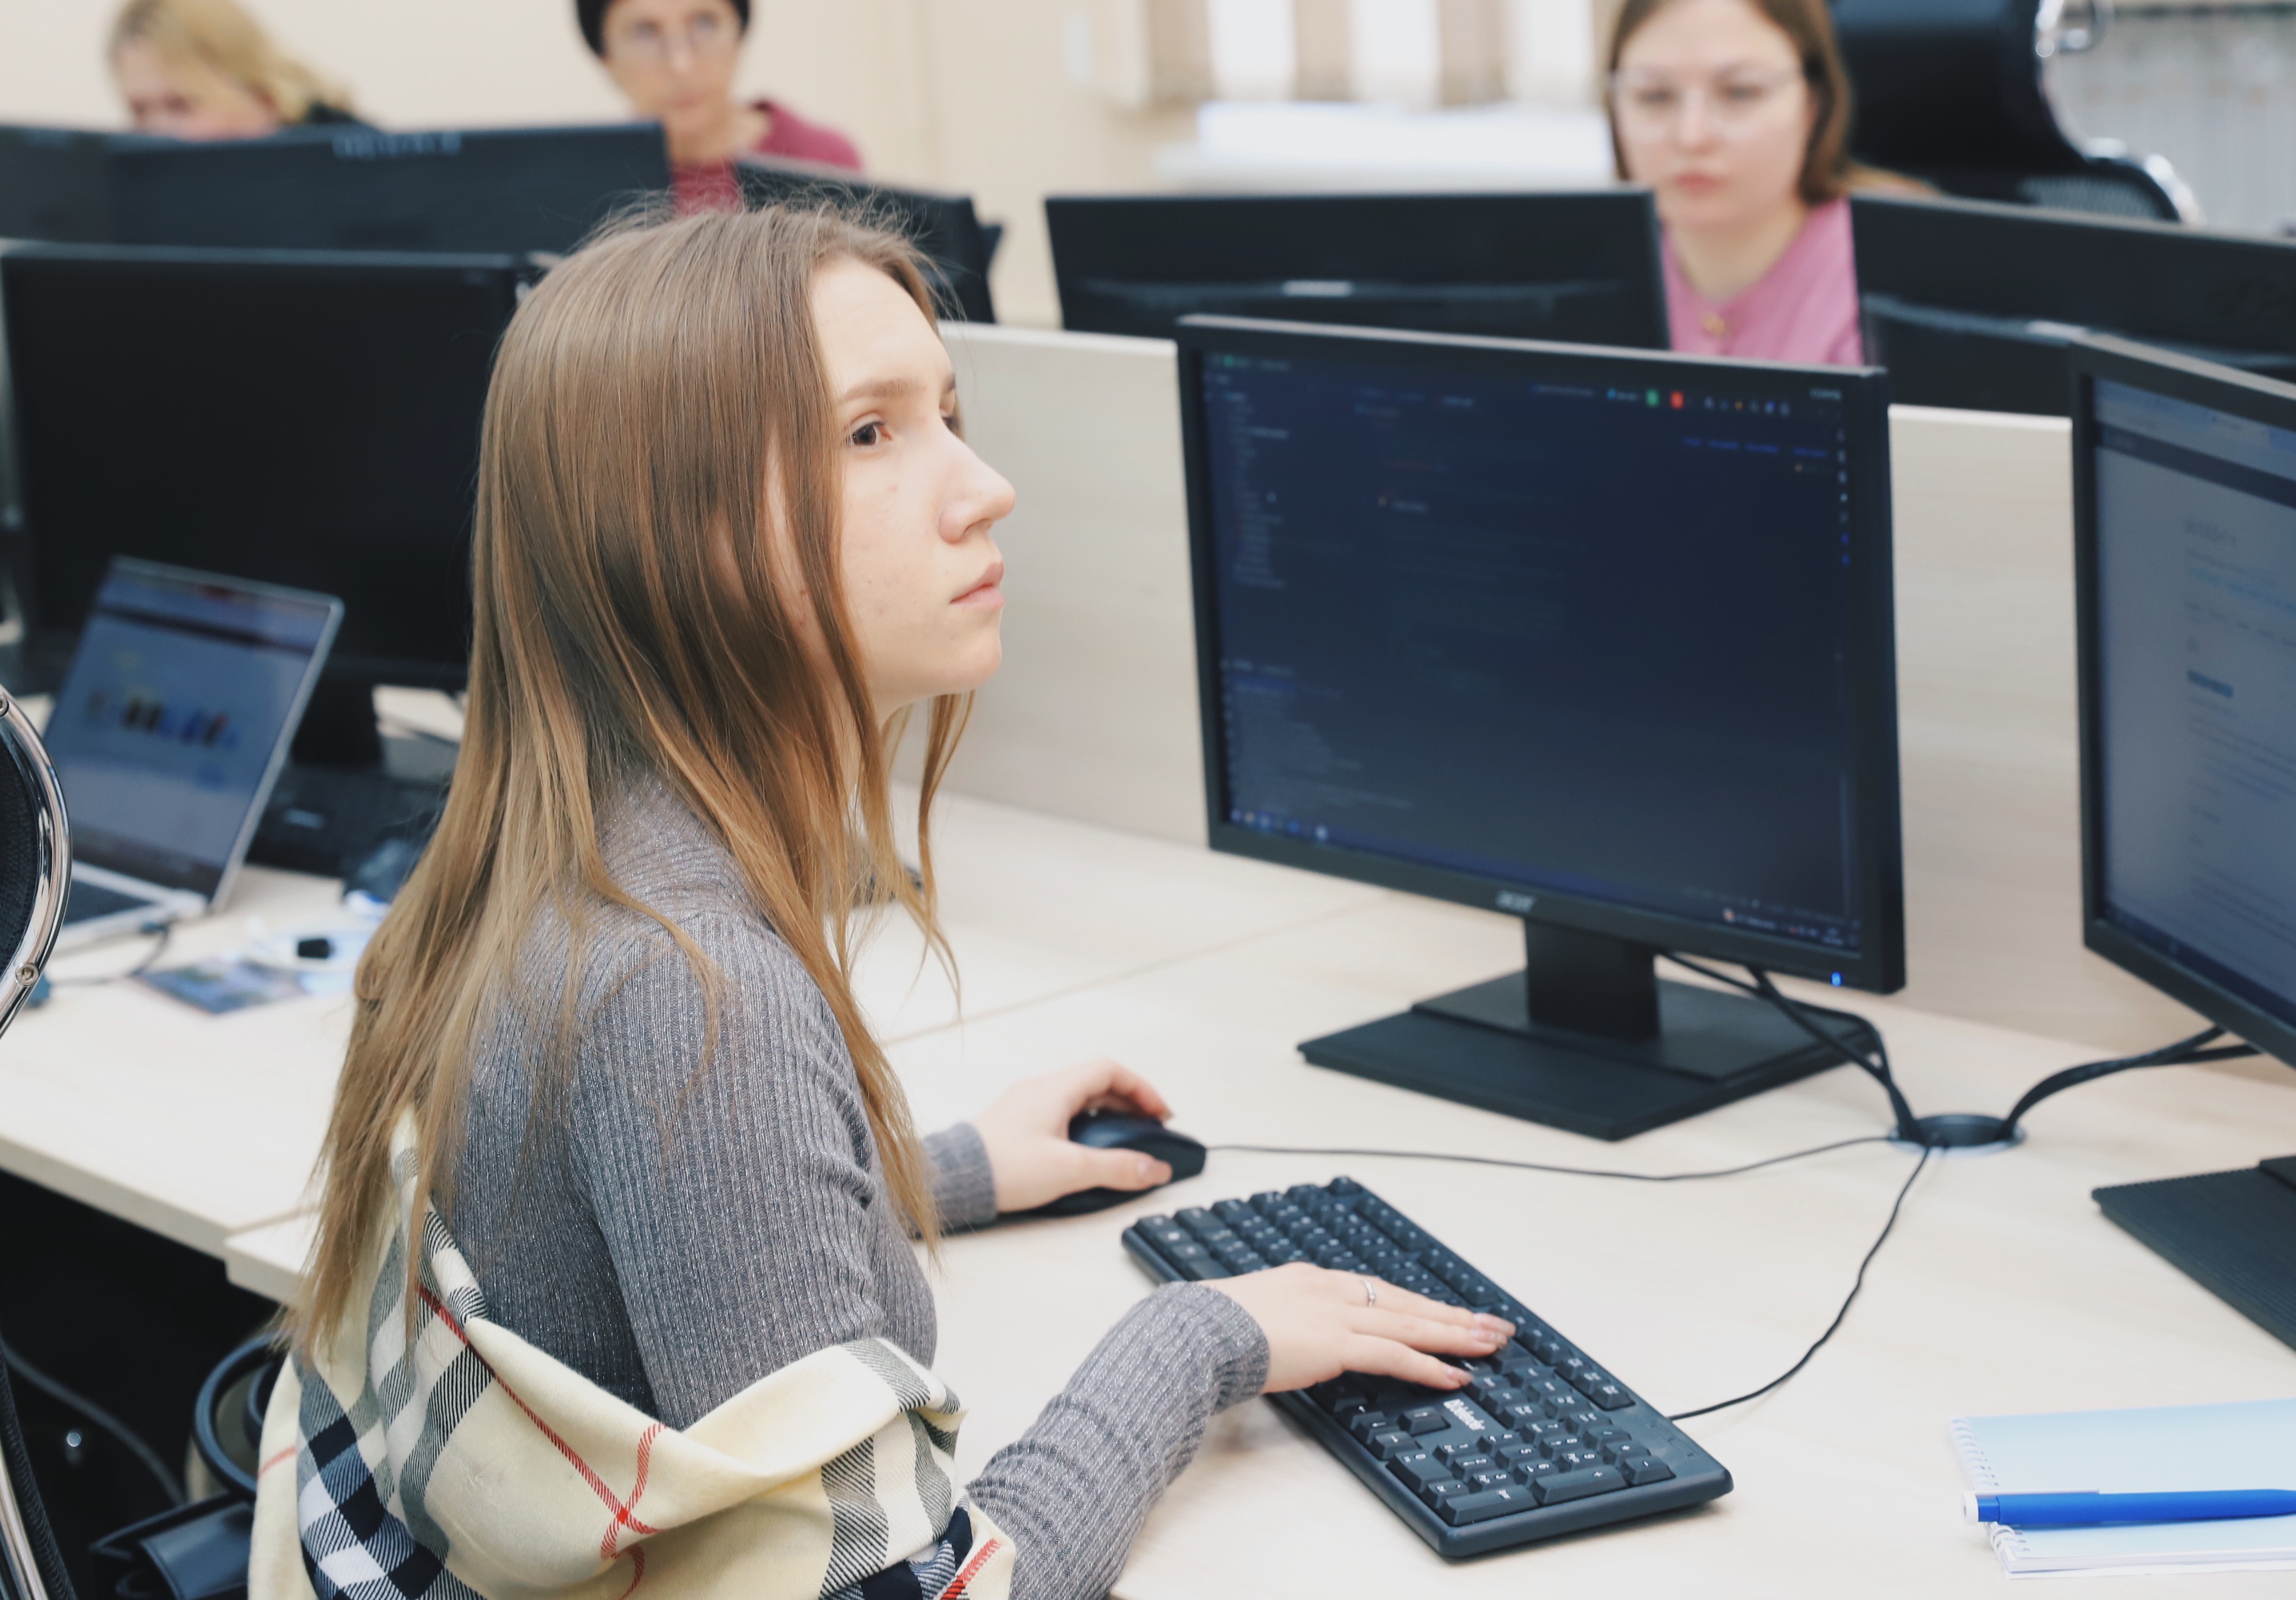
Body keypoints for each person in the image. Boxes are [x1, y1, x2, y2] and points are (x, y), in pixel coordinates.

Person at [257, 208, 1508, 1600]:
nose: (986, 486)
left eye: (949, 413)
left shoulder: (554, 856)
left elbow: (619, 1250)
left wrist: (941, 1168)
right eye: (872, 433)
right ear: (676, 529)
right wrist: (1205, 1334)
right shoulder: (686, 989)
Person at [1607, 0, 1894, 366]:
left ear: (1813, 103)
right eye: (1655, 96)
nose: (1692, 137)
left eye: (1740, 92)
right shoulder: (1587, 280)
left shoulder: (1903, 265)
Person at [578, 0, 864, 213]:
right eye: (644, 32)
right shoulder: (585, 185)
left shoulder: (823, 164)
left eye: (705, 23)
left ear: (740, 36)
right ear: (606, 58)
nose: (682, 66)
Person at [108, 0, 360, 140]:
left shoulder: (365, 177)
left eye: (180, 105)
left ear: (263, 97)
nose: (155, 132)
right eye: (139, 111)